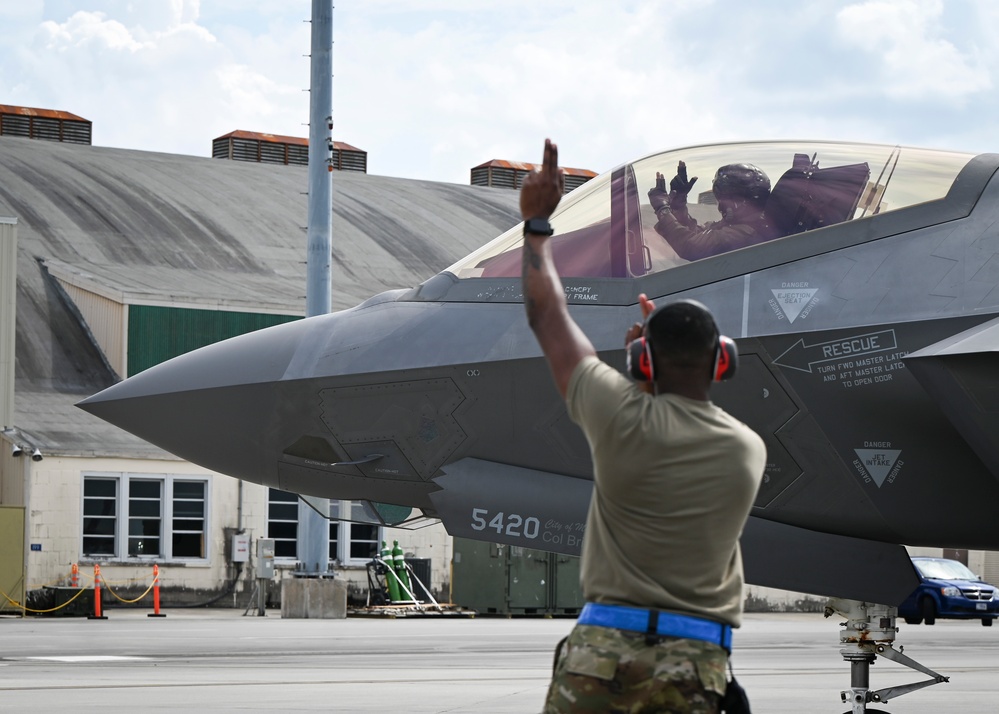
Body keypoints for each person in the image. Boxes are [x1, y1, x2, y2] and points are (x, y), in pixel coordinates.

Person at [521, 139, 766, 713]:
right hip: (693, 667)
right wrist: (649, 378)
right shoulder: (745, 450)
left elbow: (547, 315)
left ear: (642, 363)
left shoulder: (618, 417)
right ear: (722, 361)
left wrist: (537, 225)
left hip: (597, 660)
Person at [649, 161, 777, 261]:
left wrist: (662, 209)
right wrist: (678, 204)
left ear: (740, 201)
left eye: (723, 197)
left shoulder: (744, 234)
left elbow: (691, 245)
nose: (720, 204)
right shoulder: (740, 226)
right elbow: (696, 234)